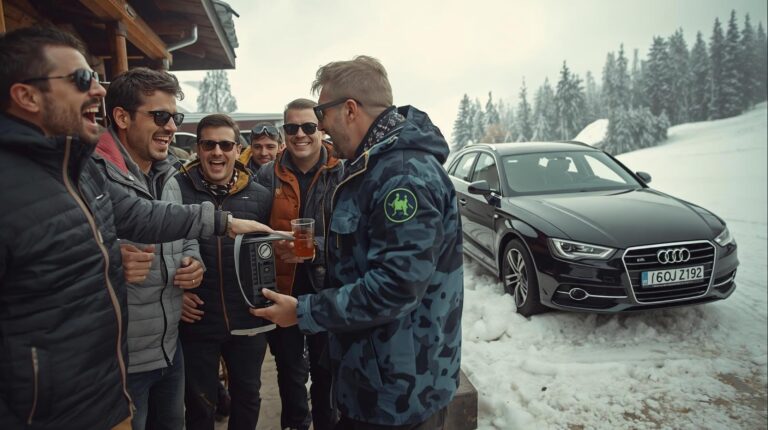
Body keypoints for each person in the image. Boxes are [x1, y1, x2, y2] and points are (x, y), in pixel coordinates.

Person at [0, 26, 270, 429]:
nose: (96, 91)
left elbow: (146, 218)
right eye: (80, 80)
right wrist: (111, 260)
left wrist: (218, 227)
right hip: (51, 405)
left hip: (135, 366)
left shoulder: (82, 168)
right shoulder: (29, 178)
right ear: (26, 96)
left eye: (95, 78)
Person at [253, 55, 464, 429]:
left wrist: (302, 311)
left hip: (398, 393)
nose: (320, 126)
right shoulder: (376, 165)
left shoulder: (402, 177)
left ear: (350, 109)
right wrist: (318, 246)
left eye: (322, 113)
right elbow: (374, 245)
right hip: (376, 376)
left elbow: (396, 286)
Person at [93, 67, 202, 430]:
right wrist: (109, 263)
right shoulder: (88, 173)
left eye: (175, 117)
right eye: (160, 116)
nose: (171, 126)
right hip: (119, 363)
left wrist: (193, 261)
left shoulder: (168, 172)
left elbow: (184, 229)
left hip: (170, 349)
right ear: (121, 117)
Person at [176, 114, 273, 430]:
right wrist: (175, 292)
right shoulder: (176, 189)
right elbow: (161, 248)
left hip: (247, 319)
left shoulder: (259, 195)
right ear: (198, 148)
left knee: (248, 397)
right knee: (200, 405)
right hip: (198, 320)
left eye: (225, 144)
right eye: (209, 144)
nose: (217, 152)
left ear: (237, 149)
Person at [254, 98, 343, 430]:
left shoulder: (341, 170)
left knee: (326, 369)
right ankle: (295, 424)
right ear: (284, 131)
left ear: (320, 127)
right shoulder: (267, 174)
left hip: (328, 287)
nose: (300, 135)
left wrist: (315, 248)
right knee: (289, 369)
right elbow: (255, 229)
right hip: (283, 286)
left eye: (308, 126)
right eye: (292, 128)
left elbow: (354, 238)